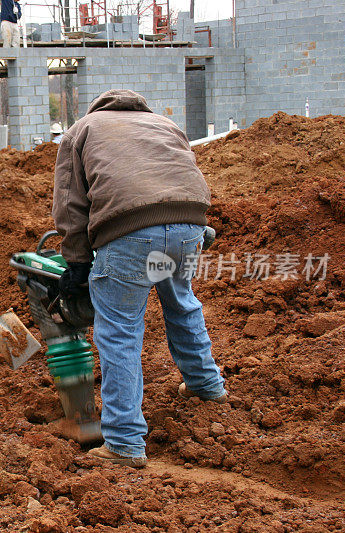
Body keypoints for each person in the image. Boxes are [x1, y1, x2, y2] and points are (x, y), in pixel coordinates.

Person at [52, 89, 227, 468]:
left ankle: (125, 443)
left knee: (119, 330)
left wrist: (77, 263)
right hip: (188, 225)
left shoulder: (81, 130)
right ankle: (206, 385)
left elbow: (69, 204)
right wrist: (190, 230)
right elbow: (185, 175)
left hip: (130, 234)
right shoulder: (164, 124)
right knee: (181, 302)